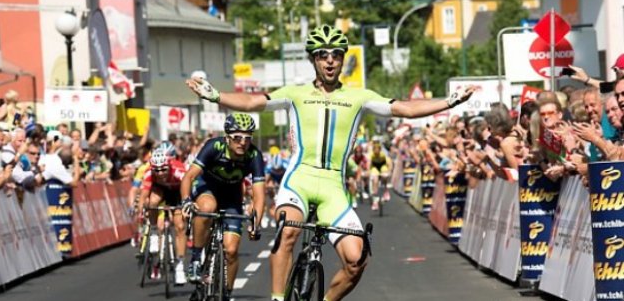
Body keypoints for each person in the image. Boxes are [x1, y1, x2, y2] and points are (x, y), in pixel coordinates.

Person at [185, 24, 475, 301]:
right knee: (289, 230)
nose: (330, 61)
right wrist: (214, 95)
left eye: (336, 55)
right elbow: (251, 103)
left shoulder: (359, 96)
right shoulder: (295, 93)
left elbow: (405, 109)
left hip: (334, 188)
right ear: (313, 60)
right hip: (299, 180)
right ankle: (276, 298)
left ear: (342, 60)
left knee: (356, 260)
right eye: (323, 55)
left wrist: (448, 102)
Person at [180, 113, 265, 301]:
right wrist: (186, 200)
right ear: (227, 138)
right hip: (207, 188)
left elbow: (259, 195)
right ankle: (195, 258)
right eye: (237, 137)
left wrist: (255, 223)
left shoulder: (254, 155)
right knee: (208, 207)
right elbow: (189, 176)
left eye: (247, 138)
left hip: (232, 197)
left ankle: (226, 293)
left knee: (232, 250)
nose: (242, 142)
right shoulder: (214, 146)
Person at [138, 145, 187, 284]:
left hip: (178, 191)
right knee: (152, 202)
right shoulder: (149, 173)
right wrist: (142, 209)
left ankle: (180, 266)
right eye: (156, 170)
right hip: (160, 190)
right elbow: (144, 195)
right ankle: (154, 231)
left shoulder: (179, 170)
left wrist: (185, 205)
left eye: (163, 169)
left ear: (169, 165)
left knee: (180, 226)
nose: (160, 173)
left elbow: (187, 189)